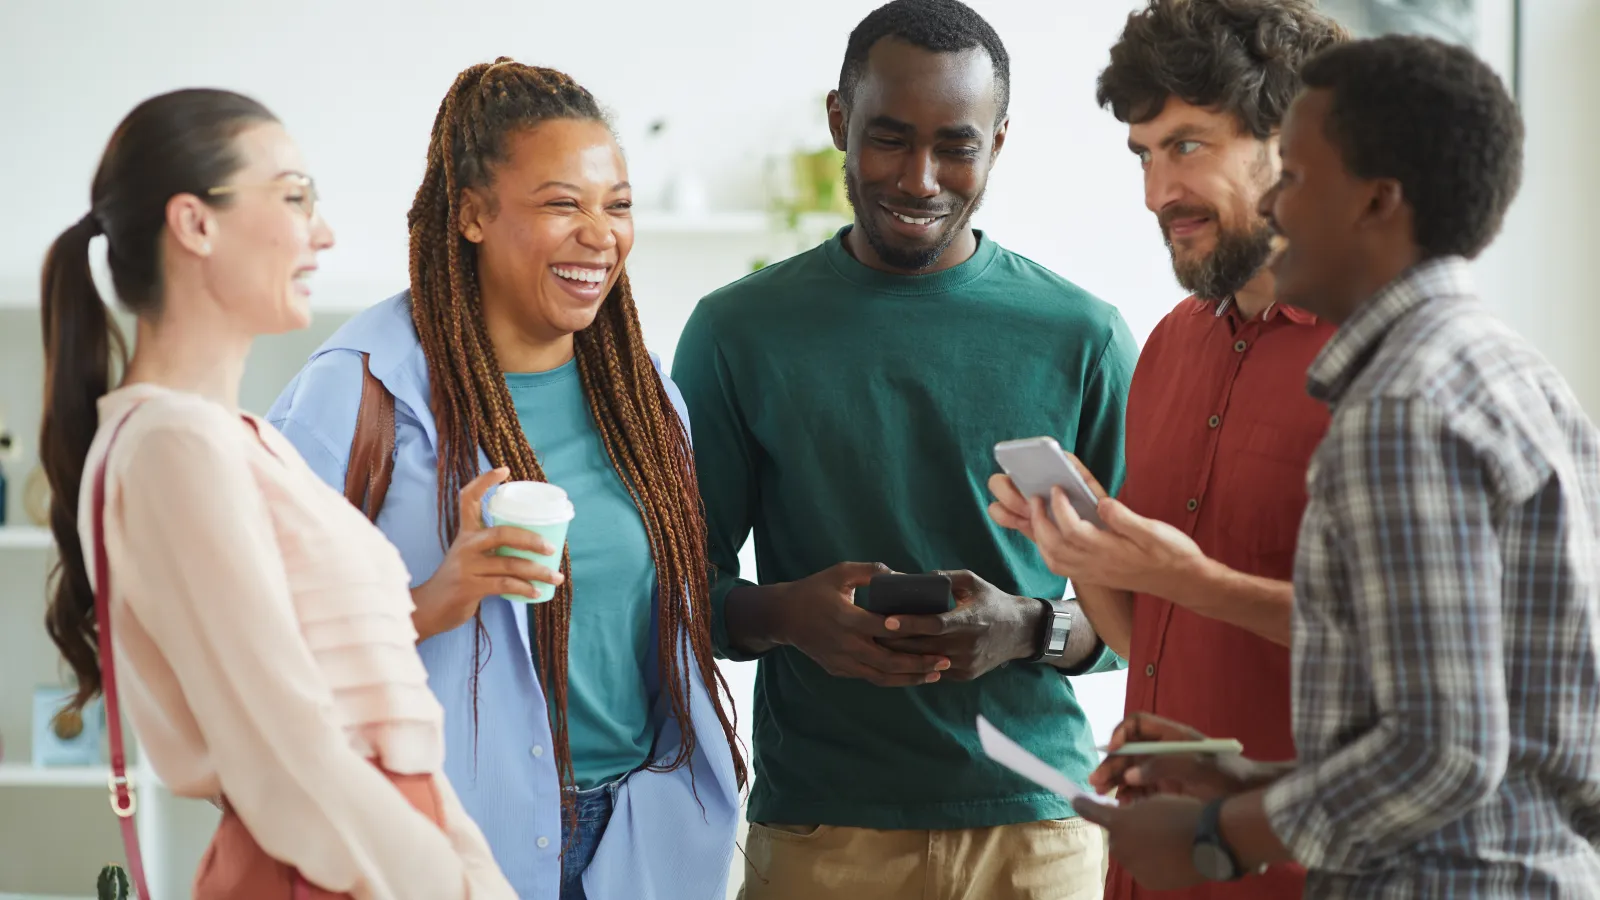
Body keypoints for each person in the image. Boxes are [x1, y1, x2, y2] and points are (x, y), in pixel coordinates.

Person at [1073, 35, 1600, 898]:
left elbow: (1445, 752)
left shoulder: (1399, 404)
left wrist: (1220, 835)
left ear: (1376, 202)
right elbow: (1494, 713)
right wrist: (1255, 785)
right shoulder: (1496, 368)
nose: (1280, 207)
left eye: (1299, 179)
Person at [671, 2, 1134, 897]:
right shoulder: (738, 332)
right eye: (888, 138)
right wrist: (788, 614)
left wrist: (1027, 630)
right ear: (838, 121)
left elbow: (1151, 619)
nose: (919, 178)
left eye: (955, 146)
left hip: (1039, 833)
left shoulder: (1083, 337)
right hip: (823, 833)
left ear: (999, 144)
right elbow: (680, 594)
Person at [267, 59, 743, 900]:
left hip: (630, 843)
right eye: (563, 203)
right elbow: (259, 639)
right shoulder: (357, 392)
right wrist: (435, 598)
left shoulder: (645, 397)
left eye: (617, 205)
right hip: (441, 845)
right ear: (473, 214)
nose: (600, 234)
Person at [38, 89, 514, 899]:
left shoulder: (239, 441)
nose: (321, 231)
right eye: (294, 197)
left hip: (374, 862)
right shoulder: (172, 449)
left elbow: (370, 719)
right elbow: (290, 755)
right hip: (334, 870)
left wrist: (472, 871)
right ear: (195, 224)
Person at [987, 4, 1344, 897]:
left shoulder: (1387, 361)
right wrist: (1076, 548)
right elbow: (1147, 640)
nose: (1156, 194)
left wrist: (1191, 577)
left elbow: (1426, 653)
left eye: (1188, 145)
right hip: (1153, 864)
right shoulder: (1171, 347)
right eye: (1144, 154)